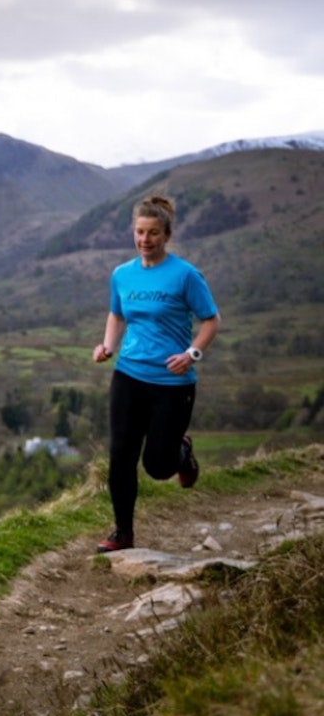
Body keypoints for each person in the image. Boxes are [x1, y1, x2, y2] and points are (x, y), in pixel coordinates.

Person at [92, 195, 220, 553]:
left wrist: (192, 354)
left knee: (159, 466)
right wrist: (108, 346)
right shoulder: (122, 274)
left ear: (166, 235)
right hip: (129, 375)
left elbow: (212, 320)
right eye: (139, 232)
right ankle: (123, 532)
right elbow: (117, 315)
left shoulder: (185, 275)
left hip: (172, 383)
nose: (145, 239)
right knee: (120, 456)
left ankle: (181, 450)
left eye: (152, 233)